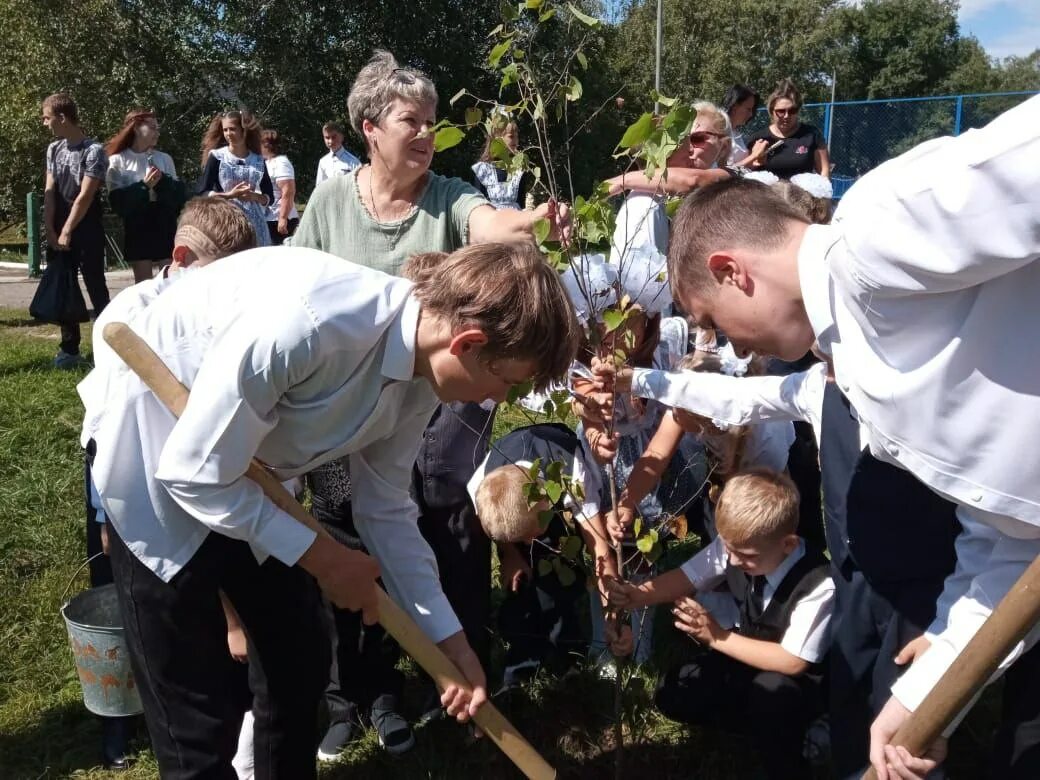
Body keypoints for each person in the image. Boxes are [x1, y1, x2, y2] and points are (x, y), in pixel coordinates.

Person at [81, 240, 579, 778]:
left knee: (297, 667)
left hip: (251, 477)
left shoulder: (420, 375)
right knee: (196, 719)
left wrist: (450, 643)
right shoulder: (310, 326)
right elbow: (192, 473)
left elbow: (385, 509)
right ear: (467, 342)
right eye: (507, 382)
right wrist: (325, 560)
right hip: (153, 465)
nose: (502, 400)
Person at [664, 94, 1040, 779]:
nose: (733, 348)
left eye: (713, 322)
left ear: (730, 272)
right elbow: (1010, 537)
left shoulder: (874, 231)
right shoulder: (853, 374)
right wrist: (925, 699)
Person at [291, 48, 572, 749]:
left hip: (440, 386)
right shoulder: (331, 199)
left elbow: (489, 225)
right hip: (339, 394)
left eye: (432, 121)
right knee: (344, 533)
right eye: (409, 121)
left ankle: (453, 671)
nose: (425, 134)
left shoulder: (448, 195)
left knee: (443, 526)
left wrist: (534, 220)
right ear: (369, 129)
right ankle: (361, 692)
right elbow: (296, 282)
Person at [607, 468, 834, 780]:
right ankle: (755, 728)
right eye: (728, 549)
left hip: (800, 683)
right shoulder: (738, 546)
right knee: (674, 690)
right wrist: (635, 596)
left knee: (772, 694)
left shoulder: (818, 585)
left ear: (789, 544)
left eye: (746, 556)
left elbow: (792, 661)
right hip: (746, 657)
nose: (734, 561)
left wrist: (716, 637)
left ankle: (801, 743)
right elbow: (687, 577)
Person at [467, 422, 627, 688]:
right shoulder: (482, 485)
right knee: (521, 589)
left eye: (531, 534)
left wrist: (612, 609)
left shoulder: (571, 470)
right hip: (518, 511)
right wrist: (510, 554)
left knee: (562, 575)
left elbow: (599, 548)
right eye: (523, 539)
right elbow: (498, 529)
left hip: (559, 492)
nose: (530, 542)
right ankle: (522, 663)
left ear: (544, 501)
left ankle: (568, 654)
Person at [40, 92, 110, 369]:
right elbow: (49, 191)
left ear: (62, 117)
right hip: (58, 228)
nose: (45, 123)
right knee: (64, 289)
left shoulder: (94, 151)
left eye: (47, 117)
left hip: (86, 228)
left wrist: (69, 229)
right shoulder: (53, 149)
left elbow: (85, 195)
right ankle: (69, 350)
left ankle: (108, 350)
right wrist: (50, 228)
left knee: (96, 287)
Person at [105, 109, 187, 283]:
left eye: (158, 128)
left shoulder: (164, 158)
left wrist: (163, 182)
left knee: (169, 280)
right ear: (135, 128)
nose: (157, 132)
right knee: (144, 283)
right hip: (138, 224)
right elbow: (118, 204)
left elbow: (179, 197)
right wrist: (144, 186)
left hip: (164, 221)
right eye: (152, 127)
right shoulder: (117, 160)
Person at [197, 109, 274, 246]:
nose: (228, 134)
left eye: (232, 129)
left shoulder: (258, 160)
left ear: (244, 131)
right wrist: (230, 195)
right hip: (226, 221)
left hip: (255, 223)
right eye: (225, 130)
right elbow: (203, 191)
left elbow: (269, 196)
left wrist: (255, 197)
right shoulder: (217, 157)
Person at [746, 79, 830, 179]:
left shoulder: (812, 135)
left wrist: (824, 190)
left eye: (792, 111)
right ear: (771, 111)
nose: (786, 116)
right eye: (781, 111)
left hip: (801, 194)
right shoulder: (758, 139)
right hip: (767, 194)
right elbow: (745, 172)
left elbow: (824, 171)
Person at [471, 119, 530, 210]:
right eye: (511, 136)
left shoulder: (519, 170)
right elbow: (478, 206)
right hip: (491, 221)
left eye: (517, 137)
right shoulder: (483, 170)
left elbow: (521, 204)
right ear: (497, 139)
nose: (516, 141)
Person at [259, 129, 299, 245]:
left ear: (266, 145)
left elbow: (288, 191)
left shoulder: (281, 163)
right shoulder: (266, 163)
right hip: (268, 218)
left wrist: (283, 218)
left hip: (280, 220)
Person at [721, 84, 770, 168]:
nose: (751, 114)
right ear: (734, 106)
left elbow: (740, 166)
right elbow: (723, 171)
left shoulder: (736, 132)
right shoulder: (719, 132)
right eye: (748, 109)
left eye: (752, 110)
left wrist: (756, 160)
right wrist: (753, 156)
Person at [315, 121, 362, 186]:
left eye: (334, 137)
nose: (330, 141)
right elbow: (319, 188)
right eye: (327, 138)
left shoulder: (354, 162)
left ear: (342, 137)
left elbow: (360, 187)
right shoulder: (323, 162)